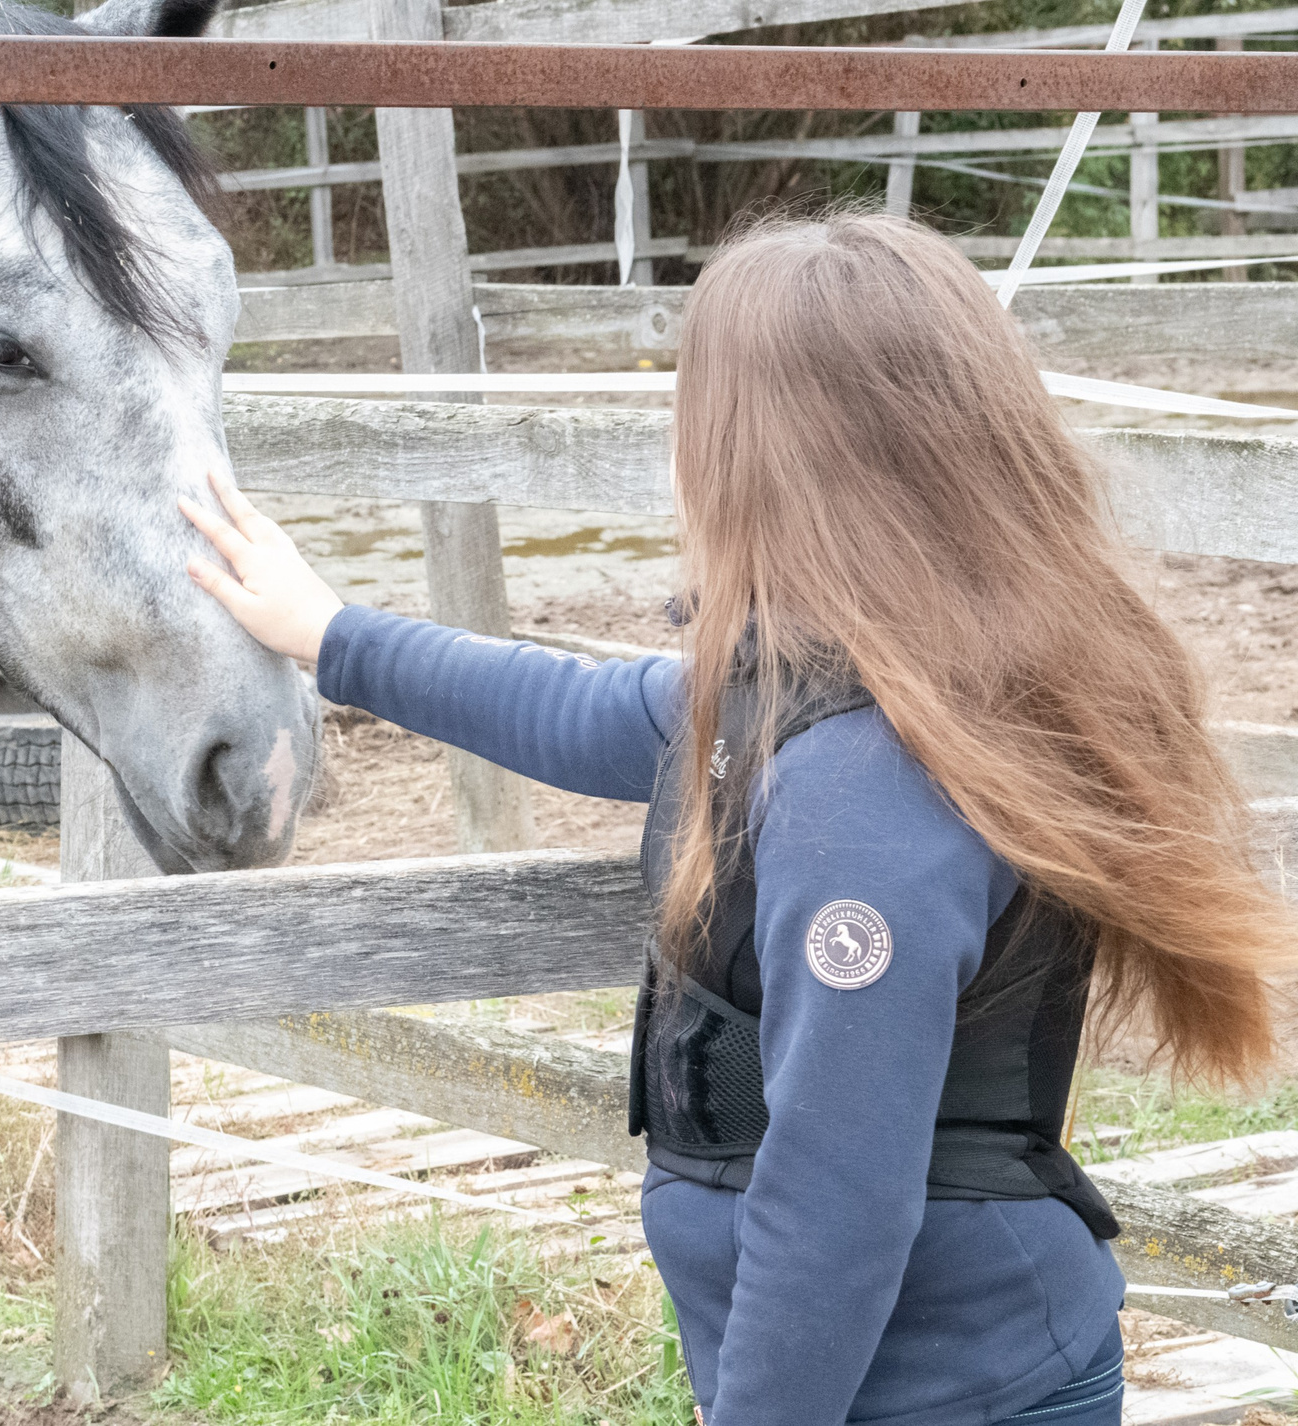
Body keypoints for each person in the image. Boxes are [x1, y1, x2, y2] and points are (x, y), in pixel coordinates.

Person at [181, 212, 1291, 1426]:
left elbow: (838, 1197)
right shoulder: (846, 692)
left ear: (756, 457)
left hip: (938, 1393)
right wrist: (334, 633)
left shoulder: (858, 795)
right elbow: (576, 705)